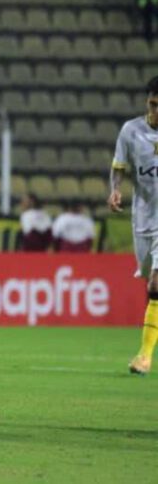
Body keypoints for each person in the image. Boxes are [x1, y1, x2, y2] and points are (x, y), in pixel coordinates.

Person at [109, 74, 158, 376]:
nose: (155, 112)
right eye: (152, 105)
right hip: (143, 216)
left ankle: (144, 356)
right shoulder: (131, 131)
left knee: (156, 285)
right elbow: (118, 167)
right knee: (149, 283)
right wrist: (115, 189)